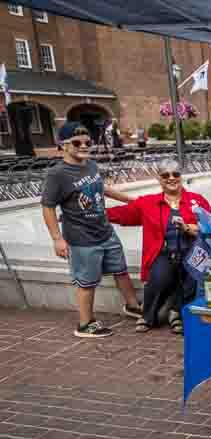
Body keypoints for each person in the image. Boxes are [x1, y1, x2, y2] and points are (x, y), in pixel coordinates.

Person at [41, 122, 143, 338]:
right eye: (77, 142)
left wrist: (131, 200)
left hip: (105, 231)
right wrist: (57, 239)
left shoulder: (90, 166)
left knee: (121, 271)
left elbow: (101, 188)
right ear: (63, 145)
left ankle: (132, 305)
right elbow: (48, 206)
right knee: (87, 282)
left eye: (88, 142)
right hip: (81, 238)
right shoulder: (57, 174)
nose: (84, 146)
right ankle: (85, 324)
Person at [107, 159, 211, 334]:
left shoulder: (197, 200)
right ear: (159, 179)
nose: (171, 178)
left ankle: (177, 313)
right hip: (163, 253)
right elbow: (120, 214)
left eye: (175, 174)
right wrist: (85, 215)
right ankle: (148, 315)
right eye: (165, 175)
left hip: (192, 252)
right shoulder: (148, 202)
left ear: (181, 176)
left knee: (194, 275)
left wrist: (188, 228)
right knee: (158, 278)